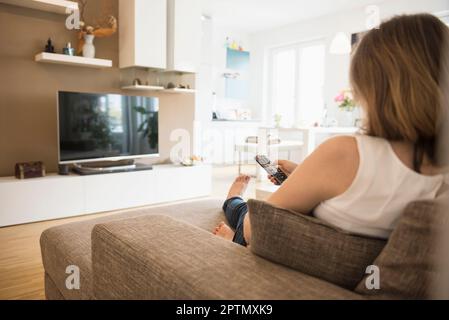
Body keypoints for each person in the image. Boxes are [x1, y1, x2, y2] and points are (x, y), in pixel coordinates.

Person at [213, 13, 449, 246]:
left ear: (372, 87)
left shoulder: (346, 153)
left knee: (243, 210)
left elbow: (257, 226)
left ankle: (232, 203)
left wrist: (313, 172)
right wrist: (304, 174)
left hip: (277, 243)